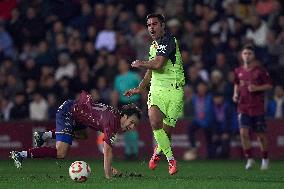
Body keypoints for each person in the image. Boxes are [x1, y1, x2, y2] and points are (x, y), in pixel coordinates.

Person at [10, 91, 141, 179]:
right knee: (61, 153)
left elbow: (107, 148)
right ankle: (20, 154)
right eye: (132, 122)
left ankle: (43, 136)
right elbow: (107, 151)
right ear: (124, 116)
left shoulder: (118, 119)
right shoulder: (112, 122)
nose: (132, 127)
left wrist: (108, 166)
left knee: (83, 135)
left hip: (79, 116)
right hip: (69, 112)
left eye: (135, 124)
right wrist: (108, 176)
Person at [125, 13, 185, 175]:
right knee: (155, 123)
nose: (151, 27)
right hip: (157, 90)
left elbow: (158, 64)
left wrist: (141, 63)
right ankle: (171, 161)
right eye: (149, 25)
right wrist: (139, 88)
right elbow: (151, 71)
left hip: (174, 91)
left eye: (155, 24)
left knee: (166, 133)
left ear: (163, 25)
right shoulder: (153, 46)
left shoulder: (170, 41)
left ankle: (158, 151)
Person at [233, 44, 272, 170]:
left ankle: (265, 159)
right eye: (245, 53)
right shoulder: (238, 71)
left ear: (253, 56)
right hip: (243, 107)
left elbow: (269, 85)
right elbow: (236, 84)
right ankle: (249, 159)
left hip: (257, 108)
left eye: (249, 53)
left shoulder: (260, 71)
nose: (247, 56)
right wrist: (235, 94)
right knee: (243, 133)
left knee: (261, 136)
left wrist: (257, 88)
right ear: (241, 55)